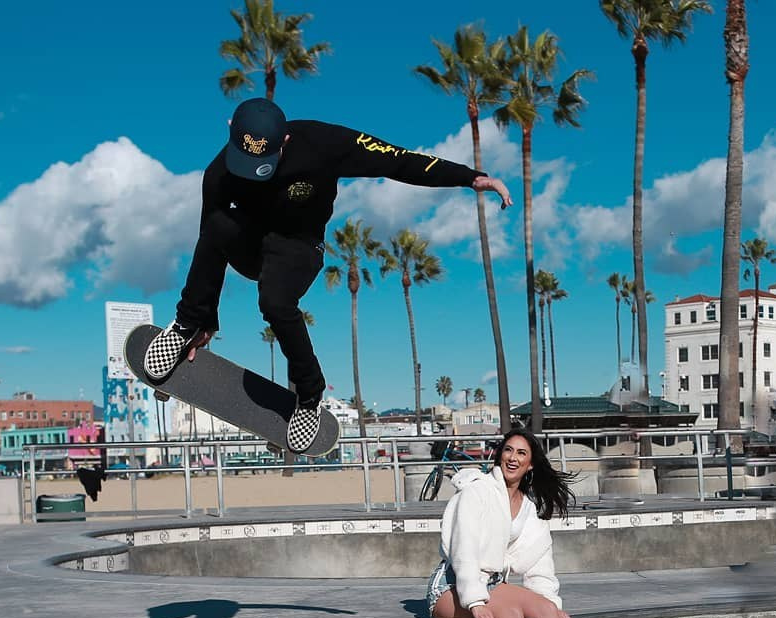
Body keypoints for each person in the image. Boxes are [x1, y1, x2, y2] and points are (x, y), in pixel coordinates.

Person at [143, 97, 514, 454]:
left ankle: (309, 396)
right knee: (215, 224)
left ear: (284, 140)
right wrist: (205, 318)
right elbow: (211, 244)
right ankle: (186, 324)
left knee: (274, 302)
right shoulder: (218, 173)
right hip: (254, 246)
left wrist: (470, 177)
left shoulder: (325, 143)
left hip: (299, 248)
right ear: (230, 131)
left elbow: (398, 161)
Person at [426, 428, 612, 618]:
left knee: (548, 610)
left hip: (494, 586)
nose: (513, 458)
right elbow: (464, 547)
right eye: (508, 450)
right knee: (510, 615)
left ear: (531, 464)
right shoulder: (477, 491)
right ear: (499, 454)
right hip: (451, 586)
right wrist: (474, 600)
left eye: (521, 454)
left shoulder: (528, 508)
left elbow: (539, 562)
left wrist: (550, 610)